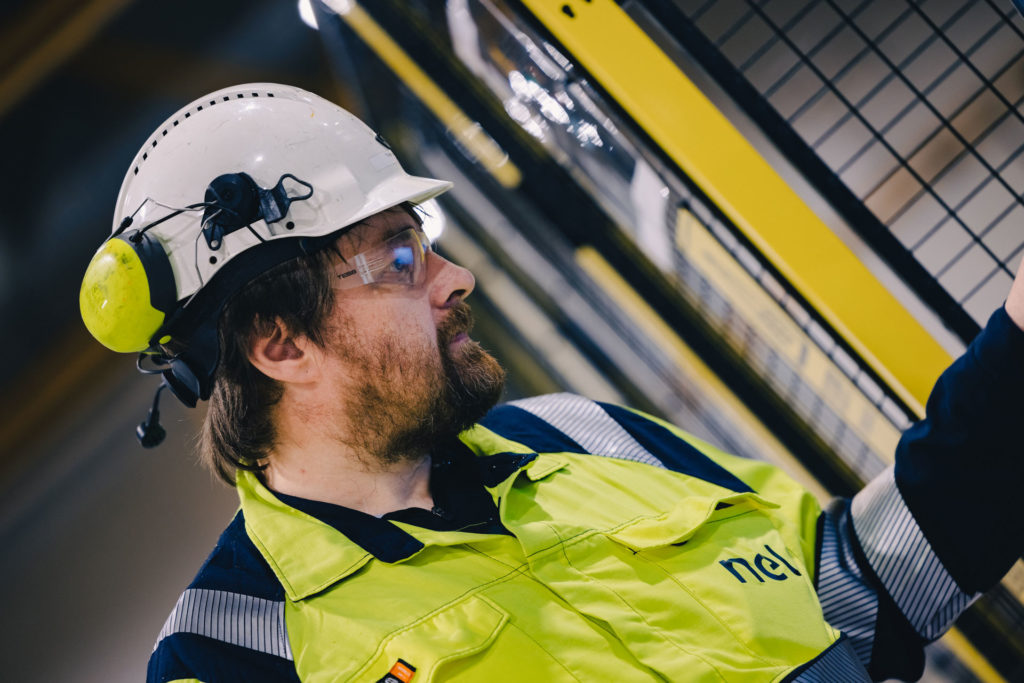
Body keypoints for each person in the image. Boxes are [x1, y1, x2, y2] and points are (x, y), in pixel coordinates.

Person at [79, 83, 1024, 683]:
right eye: (400, 257)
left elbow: (866, 590)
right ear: (281, 345)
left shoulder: (580, 435)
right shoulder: (234, 652)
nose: (456, 279)